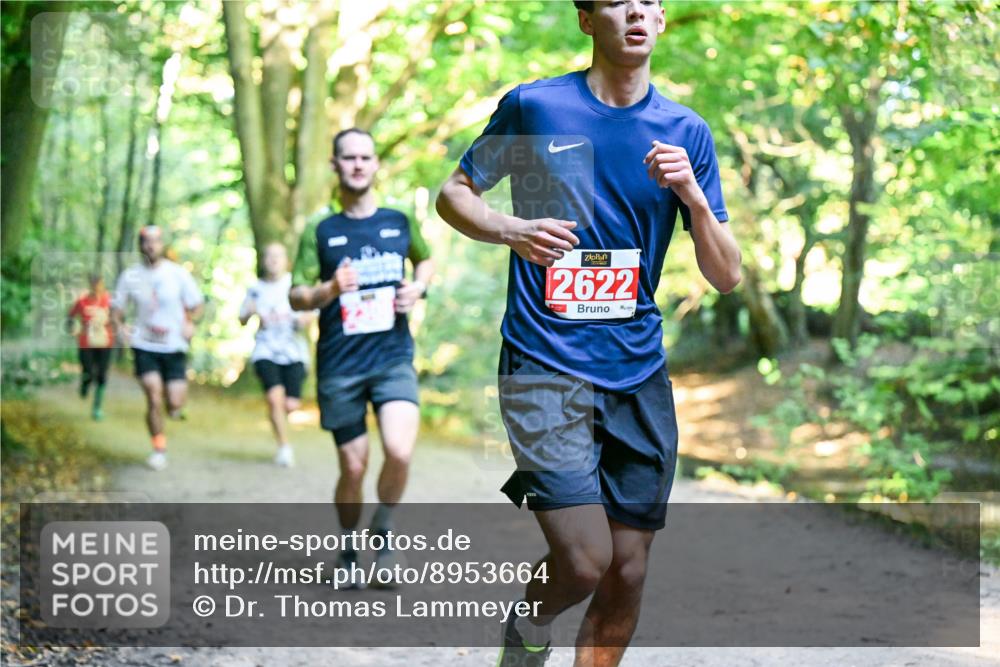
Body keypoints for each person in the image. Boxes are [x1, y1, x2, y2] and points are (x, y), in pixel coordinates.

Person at [435, 1, 742, 665]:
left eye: (648, 2)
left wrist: (692, 194)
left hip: (637, 371)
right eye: (616, 1)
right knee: (583, 558)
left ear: (660, 22)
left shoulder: (685, 132)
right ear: (586, 19)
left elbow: (726, 274)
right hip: (544, 360)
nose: (635, 11)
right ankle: (527, 629)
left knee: (627, 569)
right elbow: (455, 192)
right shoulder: (536, 107)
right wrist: (510, 229)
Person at [289, 128, 435, 583]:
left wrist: (419, 287)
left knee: (399, 450)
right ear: (335, 165)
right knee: (352, 466)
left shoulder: (399, 221)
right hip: (340, 365)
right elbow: (296, 295)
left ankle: (385, 531)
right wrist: (329, 289)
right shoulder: (321, 229)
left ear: (375, 165)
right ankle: (349, 549)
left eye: (365, 157)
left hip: (392, 358)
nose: (357, 164)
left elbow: (425, 261)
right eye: (348, 158)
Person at [112, 226, 204, 471]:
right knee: (153, 394)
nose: (151, 246)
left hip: (174, 346)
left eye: (156, 241)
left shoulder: (178, 274)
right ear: (140, 245)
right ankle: (159, 448)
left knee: (174, 402)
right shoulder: (130, 275)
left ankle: (173, 406)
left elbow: (196, 305)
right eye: (146, 241)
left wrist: (189, 323)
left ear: (163, 244)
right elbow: (117, 309)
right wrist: (120, 327)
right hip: (144, 345)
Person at [239, 242, 313, 467]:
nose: (273, 260)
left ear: (286, 261)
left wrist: (304, 319)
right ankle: (284, 447)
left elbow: (313, 310)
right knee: (274, 399)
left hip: (293, 352)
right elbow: (241, 319)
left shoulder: (295, 285)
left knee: (290, 405)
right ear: (263, 261)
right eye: (269, 256)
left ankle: (281, 420)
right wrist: (249, 313)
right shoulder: (255, 288)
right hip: (265, 350)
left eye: (277, 256)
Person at [67, 273, 114, 421]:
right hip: (86, 343)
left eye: (99, 283)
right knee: (88, 371)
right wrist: (73, 328)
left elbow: (118, 316)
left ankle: (97, 408)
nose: (97, 287)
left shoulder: (110, 300)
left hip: (105, 343)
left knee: (101, 375)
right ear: (90, 285)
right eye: (94, 284)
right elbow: (70, 317)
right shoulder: (82, 301)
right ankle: (85, 384)